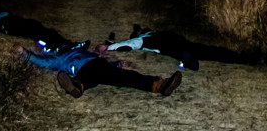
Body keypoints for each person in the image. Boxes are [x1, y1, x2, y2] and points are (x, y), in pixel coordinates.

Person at [18, 43, 183, 98]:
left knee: (121, 76)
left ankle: (78, 86)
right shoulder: (59, 58)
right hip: (90, 67)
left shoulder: (78, 50)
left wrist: (116, 63)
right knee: (121, 77)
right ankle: (159, 85)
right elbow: (42, 61)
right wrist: (24, 54)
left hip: (96, 67)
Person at [101, 23, 261, 70]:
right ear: (139, 34)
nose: (144, 29)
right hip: (180, 49)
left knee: (217, 52)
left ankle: (248, 58)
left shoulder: (150, 33)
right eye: (140, 31)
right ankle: (188, 62)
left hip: (188, 45)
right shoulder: (142, 40)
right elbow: (129, 44)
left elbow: (137, 33)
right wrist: (109, 47)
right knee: (198, 56)